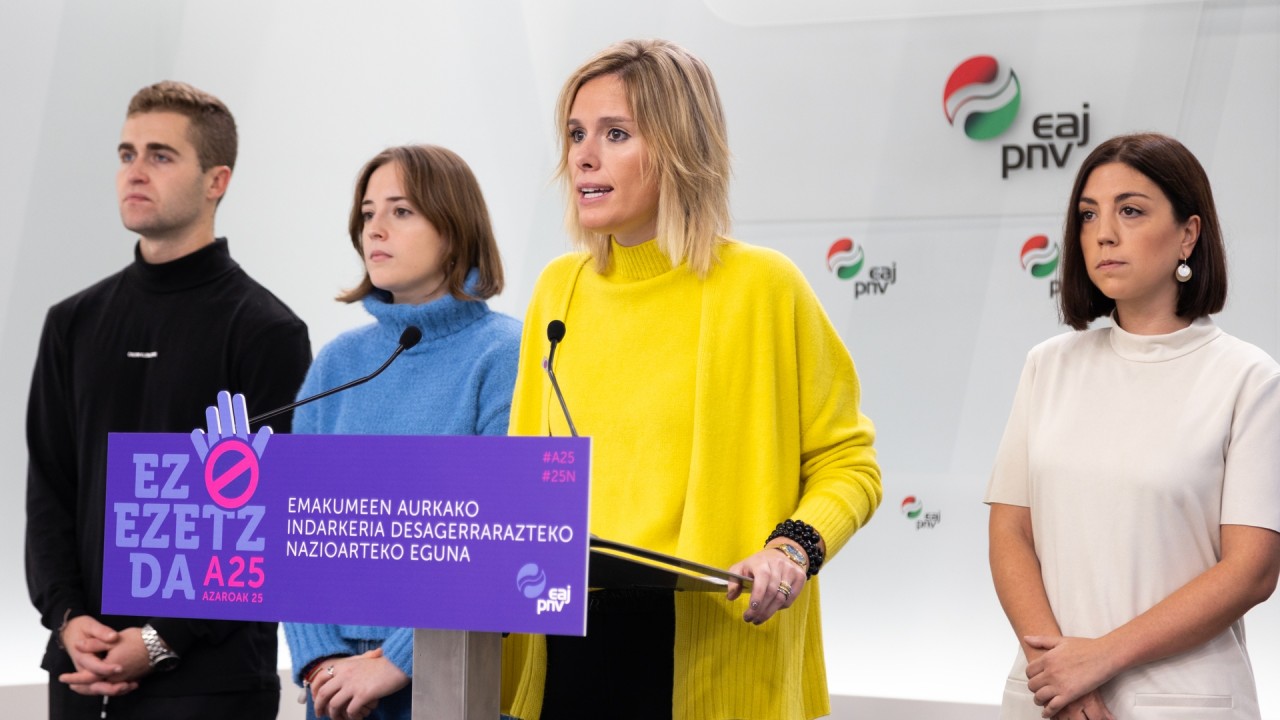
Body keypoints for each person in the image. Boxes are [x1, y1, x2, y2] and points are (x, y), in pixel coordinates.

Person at [499, 39, 882, 720]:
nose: (583, 156)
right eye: (576, 134)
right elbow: (525, 474)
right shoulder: (559, 290)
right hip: (568, 644)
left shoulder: (763, 287)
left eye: (616, 134)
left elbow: (849, 463)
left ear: (680, 147)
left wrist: (791, 550)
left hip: (711, 639)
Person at [24, 81, 311, 719]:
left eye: (161, 155)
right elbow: (49, 489)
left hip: (211, 681)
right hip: (81, 668)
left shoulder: (267, 331)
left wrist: (159, 640)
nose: (135, 171)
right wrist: (67, 616)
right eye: (127, 154)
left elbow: (267, 521)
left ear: (217, 181)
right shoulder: (71, 323)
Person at [987, 133, 1280, 720]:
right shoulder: (1048, 365)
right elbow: (1010, 533)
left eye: (1130, 211)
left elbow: (1251, 570)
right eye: (1088, 214)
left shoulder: (1249, 378)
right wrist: (1059, 676)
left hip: (1182, 701)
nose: (1103, 234)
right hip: (1048, 698)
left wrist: (1098, 659)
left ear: (1188, 234)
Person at [284, 144, 521, 720]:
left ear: (454, 230)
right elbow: (294, 530)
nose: (375, 229)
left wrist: (397, 660)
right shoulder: (338, 363)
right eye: (367, 214)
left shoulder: (505, 354)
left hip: (452, 672)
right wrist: (319, 661)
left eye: (401, 211)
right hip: (337, 686)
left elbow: (504, 535)